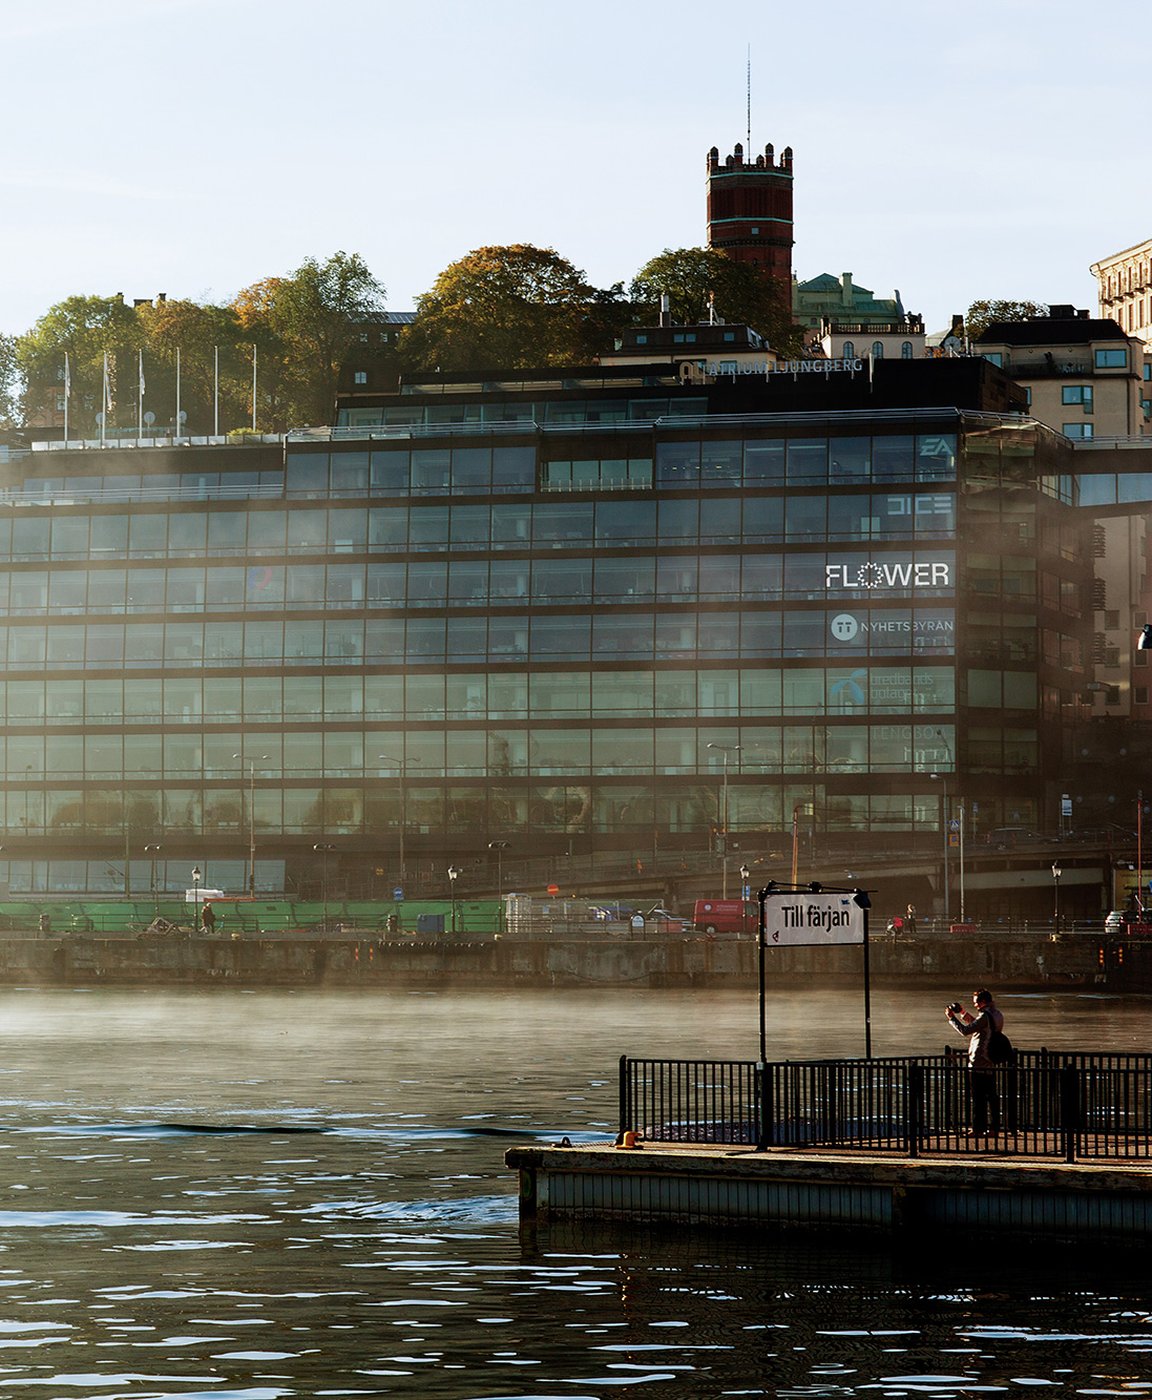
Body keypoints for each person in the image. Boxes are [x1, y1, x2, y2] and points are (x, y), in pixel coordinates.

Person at [946, 987, 1004, 1141]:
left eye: (976, 1003)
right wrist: (963, 1013)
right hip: (990, 1061)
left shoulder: (985, 1016)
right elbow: (979, 1025)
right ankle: (994, 1128)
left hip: (978, 1061)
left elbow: (966, 1030)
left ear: (982, 1002)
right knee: (991, 1096)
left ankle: (978, 1129)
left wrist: (952, 1018)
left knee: (978, 1098)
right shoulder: (996, 1014)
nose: (975, 1006)